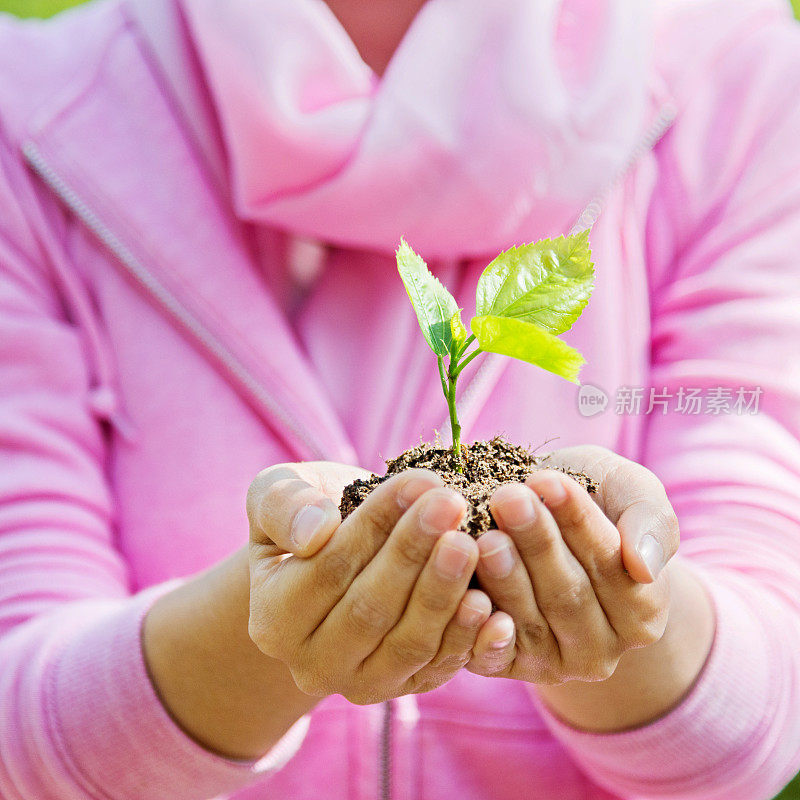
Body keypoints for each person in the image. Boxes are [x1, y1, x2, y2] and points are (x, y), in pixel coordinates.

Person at [0, 0, 799, 798]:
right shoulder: (32, 117)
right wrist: (266, 630)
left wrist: (629, 598)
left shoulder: (736, 84)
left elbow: (767, 705)